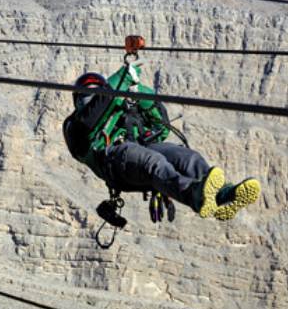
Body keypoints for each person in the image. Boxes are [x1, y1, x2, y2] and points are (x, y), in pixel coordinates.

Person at [63, 59, 260, 222]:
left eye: (94, 95)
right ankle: (194, 195)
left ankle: (223, 196)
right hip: (113, 161)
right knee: (153, 162)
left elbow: (160, 124)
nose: (89, 101)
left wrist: (138, 91)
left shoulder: (118, 108)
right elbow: (91, 118)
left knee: (186, 157)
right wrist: (122, 79)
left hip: (140, 150)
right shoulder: (74, 126)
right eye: (85, 97)